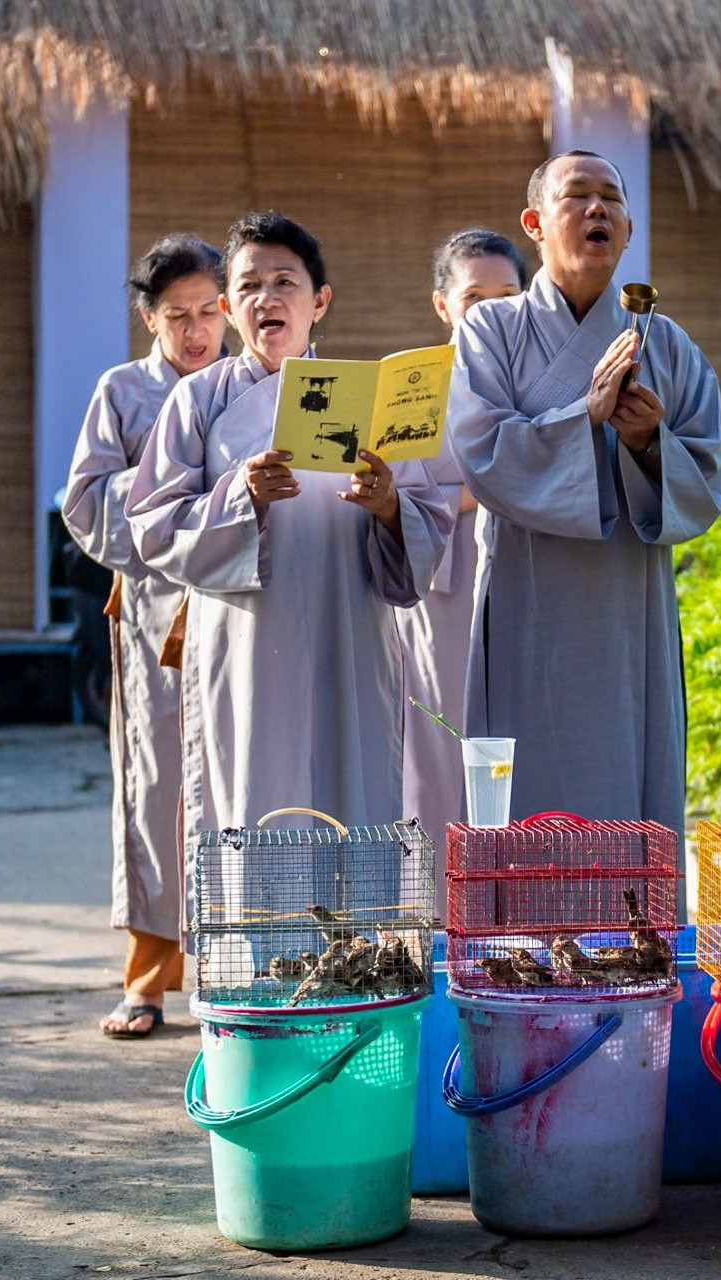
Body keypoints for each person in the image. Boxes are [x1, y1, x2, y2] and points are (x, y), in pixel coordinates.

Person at [127, 212, 453, 862]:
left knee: (351, 805)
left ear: (319, 300)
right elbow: (153, 527)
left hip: (349, 636)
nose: (267, 298)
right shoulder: (198, 403)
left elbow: (427, 524)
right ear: (227, 305)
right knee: (254, 804)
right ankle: (256, 962)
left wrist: (389, 507)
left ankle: (352, 961)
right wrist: (237, 499)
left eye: (285, 282)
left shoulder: (371, 397)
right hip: (246, 649)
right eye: (248, 286)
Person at [447, 151, 721, 836]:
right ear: (536, 222)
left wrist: (647, 445)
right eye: (577, 196)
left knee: (624, 783)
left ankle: (631, 937)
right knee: (528, 791)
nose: (597, 209)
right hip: (526, 590)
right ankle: (521, 942)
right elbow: (481, 451)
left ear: (629, 232)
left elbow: (707, 476)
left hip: (626, 602)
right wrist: (584, 418)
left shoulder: (672, 346)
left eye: (612, 198)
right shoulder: (491, 330)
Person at [61, 234, 226, 1039]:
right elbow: (84, 501)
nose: (195, 333)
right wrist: (171, 486)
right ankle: (149, 982)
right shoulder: (123, 392)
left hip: (247, 610)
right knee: (157, 792)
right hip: (158, 611)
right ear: (147, 318)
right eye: (176, 317)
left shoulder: (257, 385)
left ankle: (243, 970)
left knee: (243, 788)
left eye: (206, 313)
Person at [399, 228, 528, 843]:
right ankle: (440, 914)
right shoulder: (414, 388)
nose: (497, 310)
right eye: (477, 296)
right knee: (440, 745)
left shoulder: (539, 382)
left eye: (510, 294)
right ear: (442, 305)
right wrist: (491, 484)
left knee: (522, 745)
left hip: (528, 577)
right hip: (442, 584)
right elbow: (395, 496)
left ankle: (525, 910)